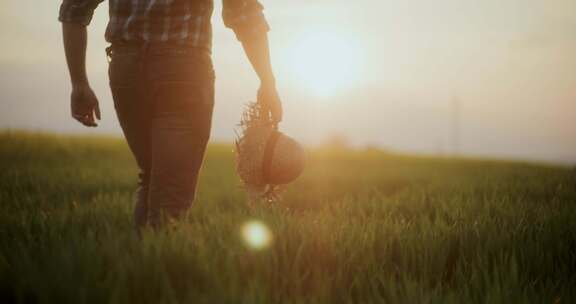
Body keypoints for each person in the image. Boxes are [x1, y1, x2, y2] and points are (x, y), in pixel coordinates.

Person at [59, 0, 283, 230]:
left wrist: (79, 83)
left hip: (126, 69)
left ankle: (140, 257)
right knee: (171, 191)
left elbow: (74, 8)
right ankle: (160, 259)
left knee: (153, 175)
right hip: (183, 72)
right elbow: (244, 13)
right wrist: (268, 81)